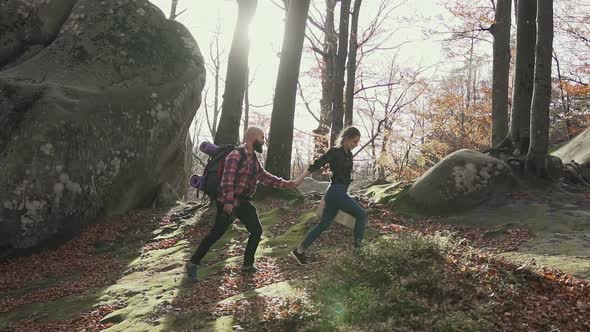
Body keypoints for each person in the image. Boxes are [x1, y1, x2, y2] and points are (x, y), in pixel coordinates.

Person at [186, 127, 296, 282]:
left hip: (243, 202)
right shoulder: (236, 155)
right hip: (228, 201)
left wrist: (286, 184)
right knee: (216, 234)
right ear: (252, 137)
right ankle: (192, 263)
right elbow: (227, 180)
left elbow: (264, 177)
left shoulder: (253, 159)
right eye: (261, 137)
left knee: (256, 230)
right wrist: (229, 201)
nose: (263, 141)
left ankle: (247, 265)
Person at [290, 127, 367, 265]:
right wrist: (300, 179)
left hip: (338, 193)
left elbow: (345, 177)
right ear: (347, 138)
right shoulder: (335, 152)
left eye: (357, 142)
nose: (356, 145)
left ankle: (299, 251)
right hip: (335, 192)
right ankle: (359, 254)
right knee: (362, 215)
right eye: (354, 141)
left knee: (324, 224)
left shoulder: (349, 154)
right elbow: (316, 165)